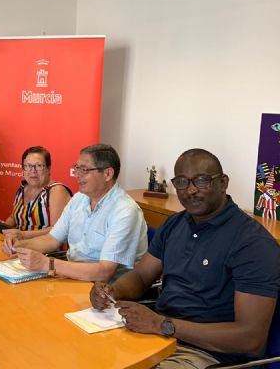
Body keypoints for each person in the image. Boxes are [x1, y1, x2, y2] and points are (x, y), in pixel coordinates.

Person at [90, 148, 280, 368]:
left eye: (201, 180)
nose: (190, 190)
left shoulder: (252, 243)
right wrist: (113, 291)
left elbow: (250, 339)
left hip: (208, 354)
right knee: (88, 354)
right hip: (158, 336)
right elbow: (141, 276)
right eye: (181, 182)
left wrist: (161, 325)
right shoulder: (175, 223)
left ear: (223, 183)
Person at [3, 144, 147, 282]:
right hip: (73, 276)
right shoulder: (79, 199)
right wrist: (19, 245)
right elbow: (52, 239)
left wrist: (48, 264)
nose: (77, 174)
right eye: (77, 168)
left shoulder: (125, 211)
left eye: (84, 170)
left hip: (104, 290)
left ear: (107, 174)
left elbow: (104, 272)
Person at [0, 146, 72, 239]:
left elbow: (58, 230)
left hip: (46, 248)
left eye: (39, 166)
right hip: (21, 245)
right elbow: (13, 218)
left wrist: (23, 235)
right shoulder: (23, 188)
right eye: (28, 166)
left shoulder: (57, 191)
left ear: (48, 169)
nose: (33, 171)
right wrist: (4, 227)